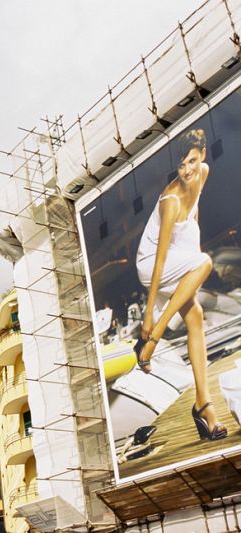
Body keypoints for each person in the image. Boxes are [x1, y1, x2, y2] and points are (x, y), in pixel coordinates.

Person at [134, 128, 227, 441]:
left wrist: (190, 259)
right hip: (151, 264)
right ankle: (153, 339)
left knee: (196, 317)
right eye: (181, 165)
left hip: (179, 253)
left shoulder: (204, 173)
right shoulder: (170, 201)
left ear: (202, 157)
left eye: (192, 162)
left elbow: (195, 211)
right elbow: (160, 260)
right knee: (205, 262)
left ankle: (203, 406)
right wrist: (148, 318)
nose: (187, 170)